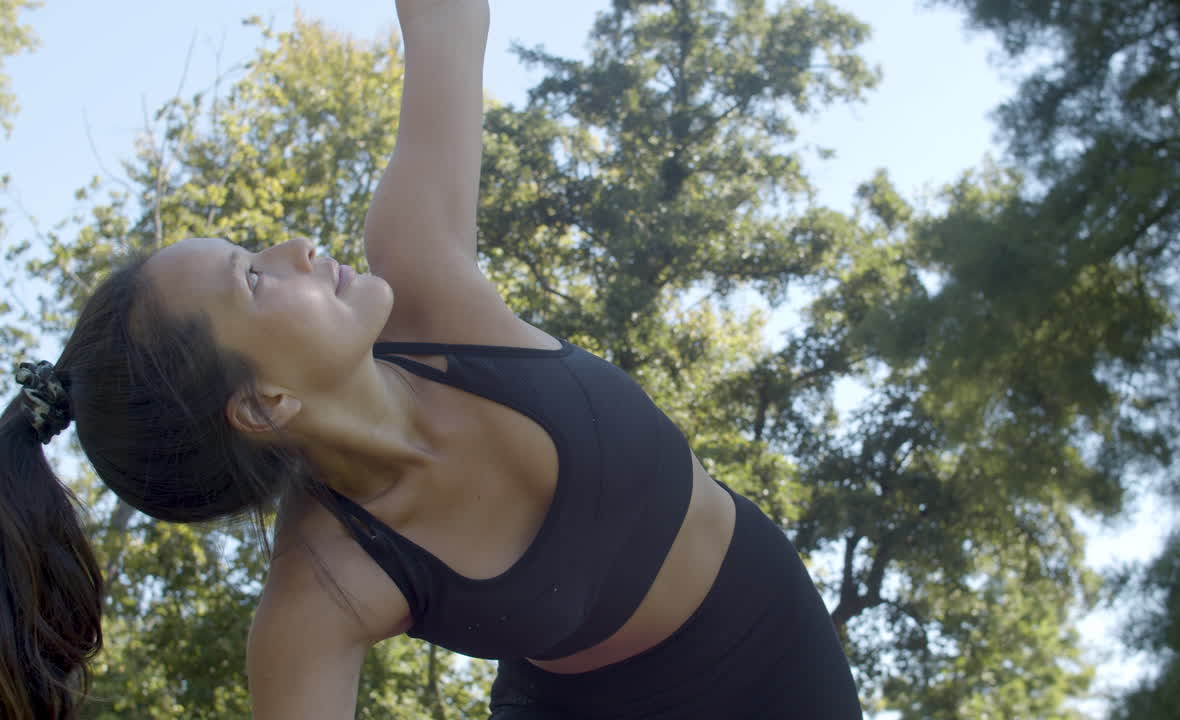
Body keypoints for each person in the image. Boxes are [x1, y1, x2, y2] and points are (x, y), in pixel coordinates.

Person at [0, 1, 863, 718]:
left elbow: (448, 19)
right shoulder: (320, 592)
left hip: (778, 655)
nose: (297, 244)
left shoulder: (423, 275)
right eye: (254, 277)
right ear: (262, 404)